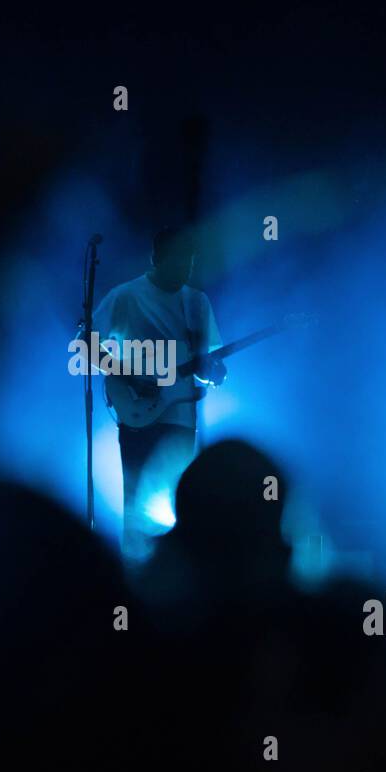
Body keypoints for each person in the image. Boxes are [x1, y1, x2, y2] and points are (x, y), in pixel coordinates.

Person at [90, 227, 225, 560]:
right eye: (179, 261)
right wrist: (128, 375)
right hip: (137, 417)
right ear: (158, 258)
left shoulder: (197, 302)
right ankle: (133, 576)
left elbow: (207, 366)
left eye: (190, 263)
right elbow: (86, 344)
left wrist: (213, 374)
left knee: (180, 503)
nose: (185, 270)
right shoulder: (126, 296)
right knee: (135, 505)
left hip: (182, 419)